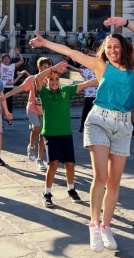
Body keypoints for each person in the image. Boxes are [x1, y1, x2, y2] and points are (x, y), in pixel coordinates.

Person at [29, 16, 134, 253]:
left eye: (116, 46)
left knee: (114, 182)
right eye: (109, 47)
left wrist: (125, 22)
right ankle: (94, 225)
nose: (112, 50)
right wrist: (46, 43)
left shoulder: (133, 63)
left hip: (123, 126)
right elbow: (71, 52)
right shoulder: (101, 66)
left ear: (123, 48)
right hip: (99, 122)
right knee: (101, 176)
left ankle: (106, 226)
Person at [35, 60, 96, 207]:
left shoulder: (66, 91)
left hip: (66, 134)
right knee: (53, 163)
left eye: (57, 79)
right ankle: (47, 193)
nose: (54, 82)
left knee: (70, 164)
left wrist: (106, 78)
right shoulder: (44, 93)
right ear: (47, 81)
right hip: (50, 134)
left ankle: (71, 189)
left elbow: (86, 84)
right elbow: (37, 78)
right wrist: (53, 69)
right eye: (51, 79)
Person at [0, 58, 50, 171]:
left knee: (43, 135)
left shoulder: (50, 81)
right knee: (37, 128)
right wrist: (4, 97)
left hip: (44, 111)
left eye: (49, 68)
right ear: (39, 67)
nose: (47, 70)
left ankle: (40, 159)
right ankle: (31, 146)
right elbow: (19, 89)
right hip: (32, 109)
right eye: (45, 67)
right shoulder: (32, 79)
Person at [0, 45, 25, 124]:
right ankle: (0, 118)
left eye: (7, 59)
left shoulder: (13, 66)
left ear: (10, 60)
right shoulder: (1, 65)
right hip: (2, 86)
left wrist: (19, 53)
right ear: (2, 60)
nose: (6, 60)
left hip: (10, 86)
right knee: (1, 103)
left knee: (9, 103)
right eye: (4, 59)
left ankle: (9, 118)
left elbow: (21, 61)